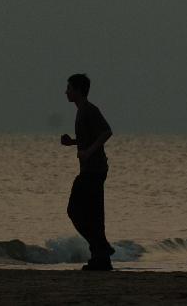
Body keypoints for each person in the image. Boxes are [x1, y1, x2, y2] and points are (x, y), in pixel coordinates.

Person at [60, 73, 114, 271]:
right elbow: (89, 137)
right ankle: (101, 258)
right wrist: (73, 143)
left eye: (69, 88)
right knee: (93, 215)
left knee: (75, 210)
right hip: (92, 168)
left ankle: (102, 248)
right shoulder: (81, 111)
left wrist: (88, 152)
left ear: (78, 90)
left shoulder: (89, 110)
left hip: (94, 169)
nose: (66, 91)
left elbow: (106, 131)